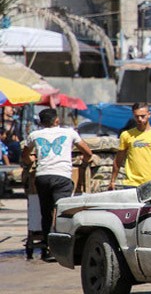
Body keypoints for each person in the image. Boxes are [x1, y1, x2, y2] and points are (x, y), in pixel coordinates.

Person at [22, 108, 93, 261]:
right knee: (62, 212)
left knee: (46, 212)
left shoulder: (34, 135)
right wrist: (84, 162)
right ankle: (61, 248)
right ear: (56, 120)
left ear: (41, 123)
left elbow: (25, 155)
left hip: (42, 177)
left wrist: (31, 162)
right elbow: (87, 152)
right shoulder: (69, 133)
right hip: (62, 177)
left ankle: (48, 247)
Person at [108, 103, 151, 190]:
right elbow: (118, 159)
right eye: (136, 116)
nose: (139, 119)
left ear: (149, 114)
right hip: (131, 183)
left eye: (143, 116)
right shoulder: (126, 135)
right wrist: (112, 180)